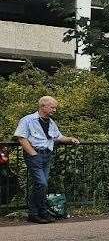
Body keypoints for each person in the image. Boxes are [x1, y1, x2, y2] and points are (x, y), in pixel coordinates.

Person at [13, 96, 80, 224]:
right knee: (42, 183)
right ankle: (40, 212)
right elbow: (21, 138)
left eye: (55, 107)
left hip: (47, 155)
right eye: (52, 107)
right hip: (35, 155)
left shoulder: (50, 122)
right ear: (43, 106)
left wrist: (70, 139)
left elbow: (58, 137)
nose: (54, 110)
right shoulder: (28, 120)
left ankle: (35, 213)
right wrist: (33, 154)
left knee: (41, 185)